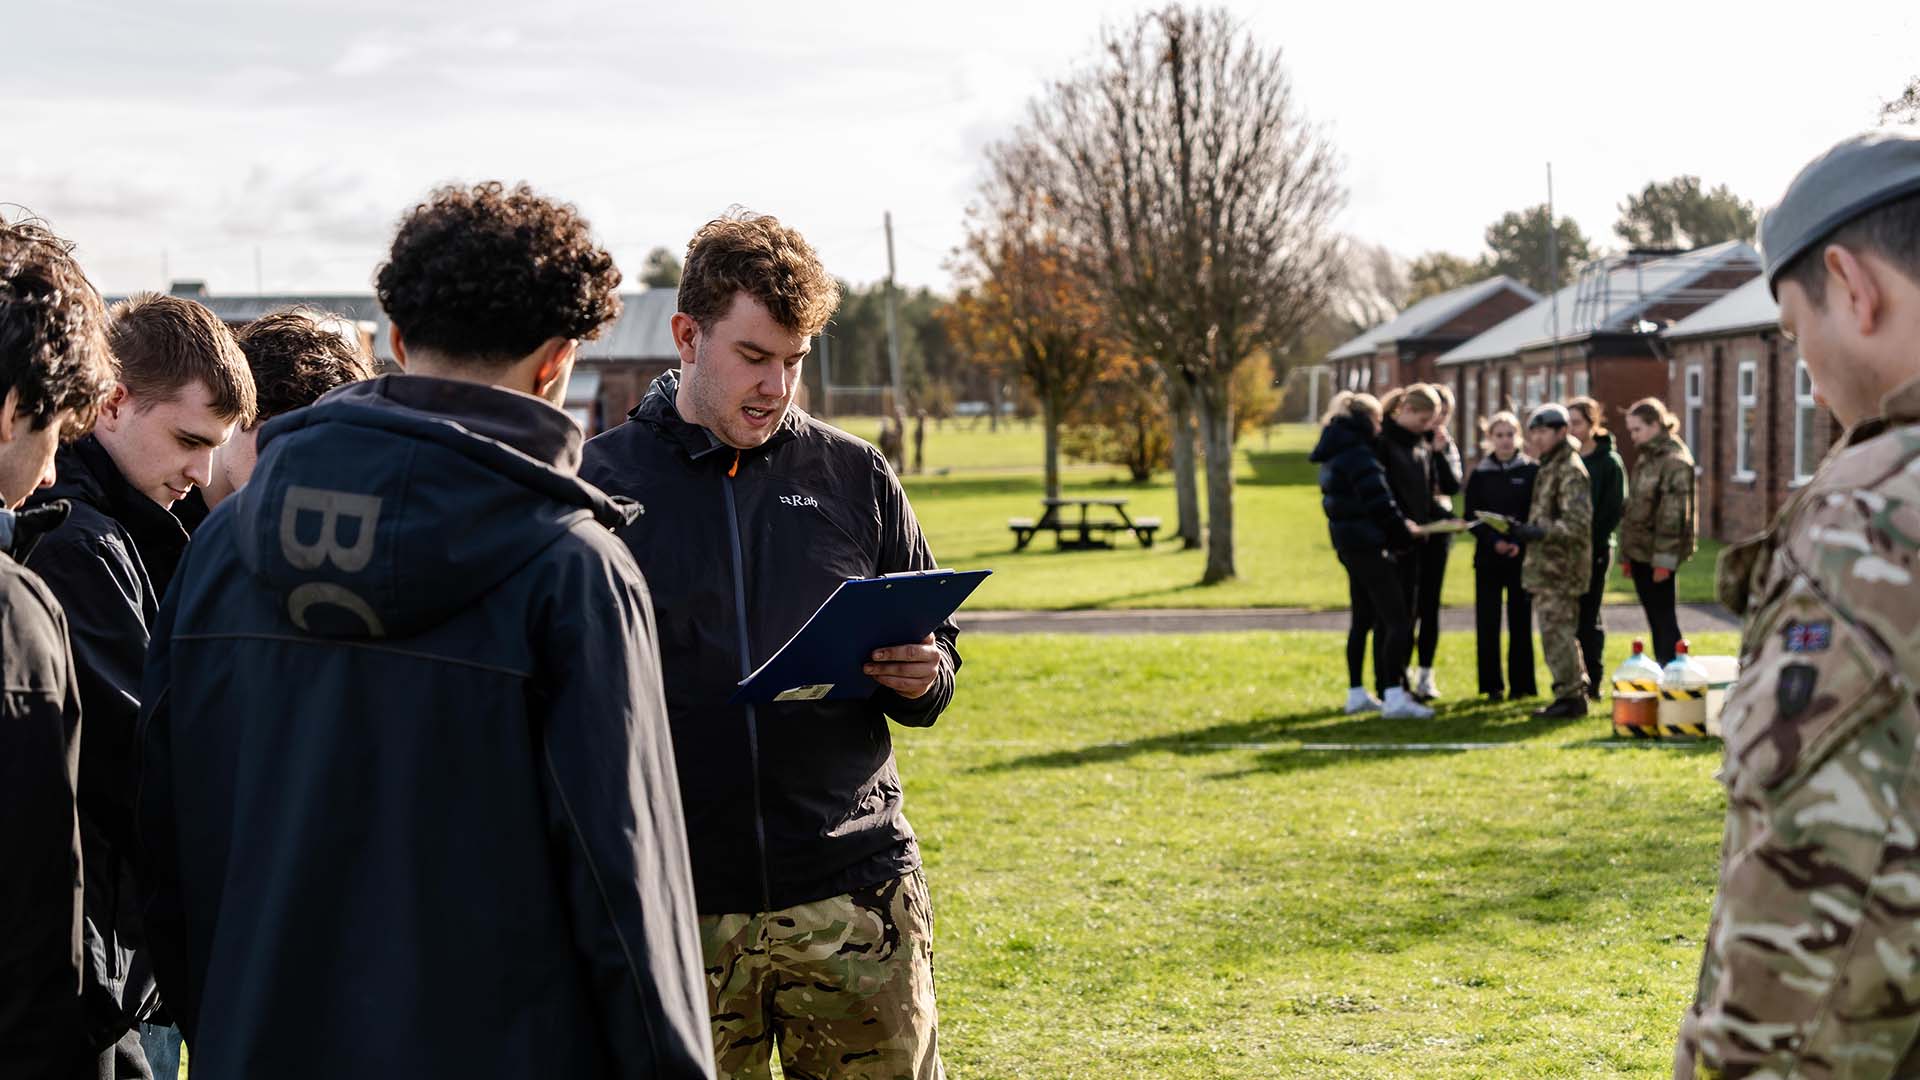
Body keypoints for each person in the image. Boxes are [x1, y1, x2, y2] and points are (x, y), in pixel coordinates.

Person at [136, 181, 713, 1079]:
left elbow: (159, 860)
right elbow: (629, 906)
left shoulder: (218, 549)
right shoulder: (575, 572)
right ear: (558, 363)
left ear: (396, 343)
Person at [579, 211, 956, 1080]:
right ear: (687, 336)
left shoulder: (855, 475)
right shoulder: (596, 485)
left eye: (795, 360)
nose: (777, 385)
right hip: (676, 910)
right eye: (754, 356)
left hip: (856, 898)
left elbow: (939, 651)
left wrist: (924, 672)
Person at [1675, 130, 1920, 1078]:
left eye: (1792, 332)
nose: (1808, 371)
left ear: (1850, 287)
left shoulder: (1873, 522)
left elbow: (1823, 937)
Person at [23, 291, 255, 1079]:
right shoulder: (78, 544)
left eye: (215, 448)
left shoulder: (131, 529)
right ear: (115, 402)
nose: (200, 473)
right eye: (188, 440)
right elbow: (145, 758)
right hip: (88, 974)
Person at [0, 216, 118, 1078]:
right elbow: (34, 926)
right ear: (11, 412)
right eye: (50, 436)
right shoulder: (14, 619)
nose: (50, 476)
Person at [173, 309, 375, 527]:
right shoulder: (158, 508)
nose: (291, 467)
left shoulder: (309, 530)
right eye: (275, 441)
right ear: (240, 407)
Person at [1309, 390, 1428, 719]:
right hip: (1367, 545)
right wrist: (1405, 533)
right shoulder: (1360, 455)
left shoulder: (1337, 449)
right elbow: (1380, 503)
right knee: (1397, 619)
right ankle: (1393, 696)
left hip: (1348, 544)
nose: (1380, 426)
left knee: (1362, 618)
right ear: (1365, 420)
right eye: (1377, 420)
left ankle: (1356, 693)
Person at [1507, 404, 1592, 718]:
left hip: (1562, 568)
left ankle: (1570, 698)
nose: (1537, 438)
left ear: (1562, 431)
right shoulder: (1550, 465)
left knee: (1557, 633)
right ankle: (1570, 691)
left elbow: (1577, 523)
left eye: (1544, 431)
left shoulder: (1569, 469)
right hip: (1548, 566)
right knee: (1556, 632)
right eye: (1534, 432)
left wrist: (1536, 532)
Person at [1461, 411, 1537, 701]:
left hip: (1520, 556)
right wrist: (1494, 542)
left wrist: (1517, 541)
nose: (1505, 441)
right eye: (1499, 435)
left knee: (1520, 622)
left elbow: (1534, 512)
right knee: (1488, 622)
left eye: (1509, 434)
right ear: (1489, 438)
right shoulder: (1480, 474)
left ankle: (1522, 686)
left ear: (1518, 436)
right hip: (1488, 559)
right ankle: (1492, 685)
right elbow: (1471, 516)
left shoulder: (1531, 471)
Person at [1618, 397, 1696, 664]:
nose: (1633, 436)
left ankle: (1675, 674)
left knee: (1664, 619)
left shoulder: (1674, 460)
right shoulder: (1648, 457)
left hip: (1658, 556)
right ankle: (1666, 673)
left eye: (1637, 429)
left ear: (1655, 425)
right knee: (1654, 617)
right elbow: (1635, 507)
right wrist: (1627, 555)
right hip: (1641, 552)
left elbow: (1673, 516)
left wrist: (1663, 561)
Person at [1376, 384, 1443, 697]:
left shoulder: (1421, 446)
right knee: (1393, 620)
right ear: (1407, 410)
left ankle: (1399, 683)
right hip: (1391, 543)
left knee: (1409, 616)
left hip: (1417, 543)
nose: (1427, 428)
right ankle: (1389, 685)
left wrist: (1440, 521)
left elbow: (1427, 494)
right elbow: (1383, 495)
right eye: (1423, 420)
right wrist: (1401, 526)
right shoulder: (1383, 443)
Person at [1567, 397, 1626, 697]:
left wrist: (1587, 540)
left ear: (1593, 424)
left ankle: (1594, 679)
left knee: (1589, 617)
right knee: (1571, 617)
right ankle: (1574, 679)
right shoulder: (1566, 459)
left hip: (1596, 549)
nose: (1571, 429)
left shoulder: (1608, 462)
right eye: (1568, 424)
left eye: (1577, 423)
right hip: (1568, 550)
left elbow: (1612, 510)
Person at [1411, 383, 1463, 701]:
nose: (1438, 422)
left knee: (1430, 606)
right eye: (1435, 415)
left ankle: (1425, 675)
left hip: (1438, 534)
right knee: (1407, 607)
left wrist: (1440, 452)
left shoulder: (1445, 444)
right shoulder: (1407, 442)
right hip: (1412, 531)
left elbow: (1453, 486)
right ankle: (1398, 673)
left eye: (1444, 416)